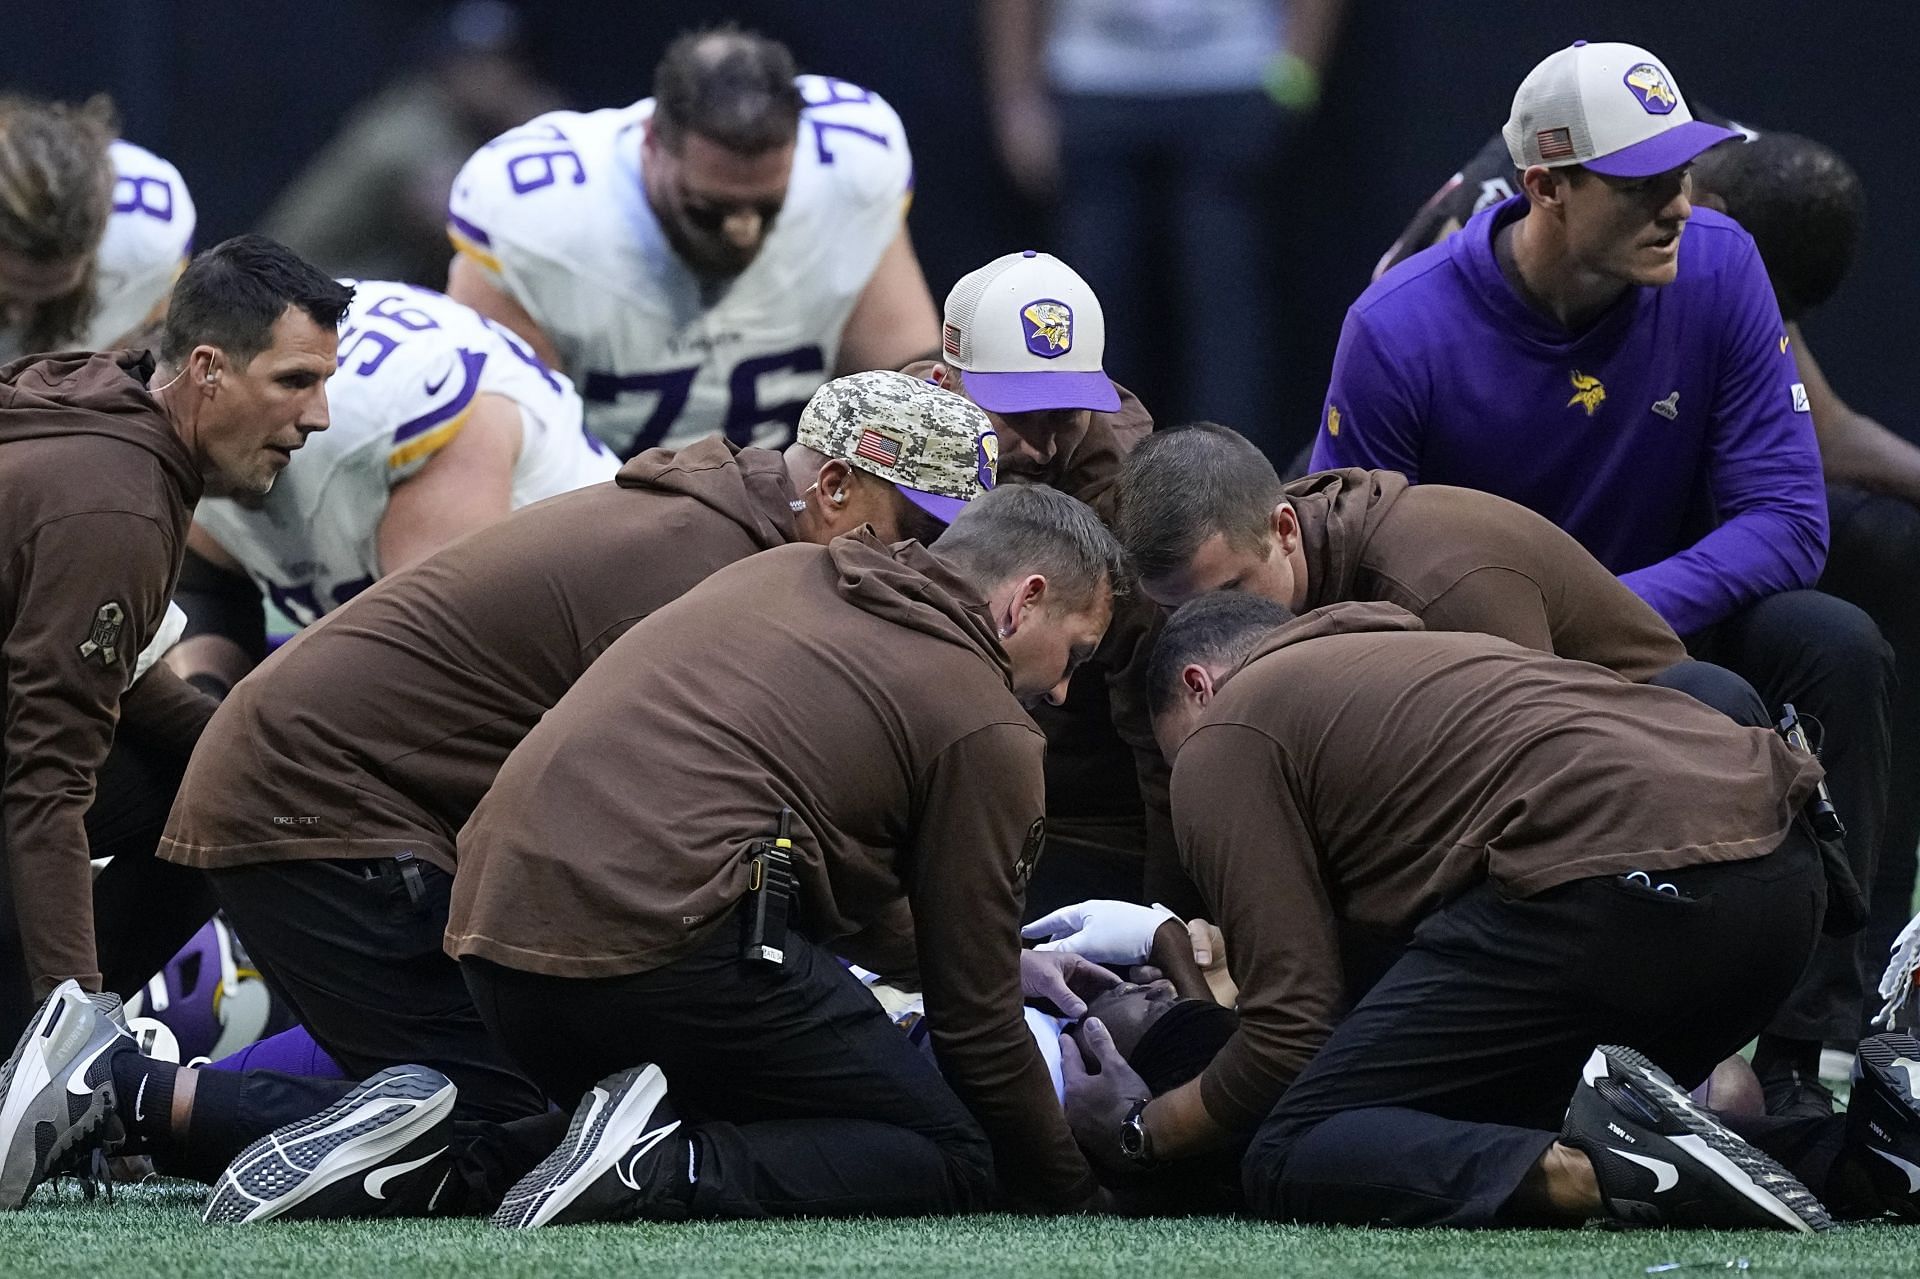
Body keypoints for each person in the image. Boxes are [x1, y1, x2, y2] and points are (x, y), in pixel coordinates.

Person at [48, 372, 994, 1222]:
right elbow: (668, 831)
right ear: (833, 489)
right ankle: (121, 1093)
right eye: (921, 534)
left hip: (334, 794)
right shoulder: (720, 566)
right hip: (329, 804)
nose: (931, 572)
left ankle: (140, 1099)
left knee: (511, 1106)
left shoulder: (720, 528)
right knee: (501, 1127)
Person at [1307, 40, 1893, 1118]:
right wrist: (1534, 652)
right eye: (1641, 186)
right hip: (1485, 682)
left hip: (1668, 624)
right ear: (1547, 188)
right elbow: (1346, 573)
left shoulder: (1720, 265)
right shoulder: (1396, 329)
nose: (1676, 204)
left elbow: (1789, 519)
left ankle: (1808, 1061)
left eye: (1682, 174)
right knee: (1705, 704)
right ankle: (1616, 1040)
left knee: (1839, 643)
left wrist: (1607, 619)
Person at [1066, 591, 1920, 1230]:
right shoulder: (1414, 649)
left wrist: (1147, 1129)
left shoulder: (1227, 733)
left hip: (1618, 882)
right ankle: (1864, 1158)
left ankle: (1617, 1174)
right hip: (1783, 885)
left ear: (1200, 686)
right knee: (1454, 1122)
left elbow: (1293, 1030)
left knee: (1293, 1150)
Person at [441, 482, 1125, 1226]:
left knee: (769, 1110)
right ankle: (656, 1170)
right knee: (949, 1154)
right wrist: (1073, 1193)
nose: (1061, 690)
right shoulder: (986, 724)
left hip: (491, 937)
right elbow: (979, 1029)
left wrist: (993, 959)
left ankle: (438, 1169)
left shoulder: (781, 569)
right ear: (1023, 600)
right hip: (658, 949)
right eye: (1074, 654)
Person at [0, 236, 347, 1048]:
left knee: (223, 772)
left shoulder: (96, 395)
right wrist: (69, 1042)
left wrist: (252, 754)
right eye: (296, 381)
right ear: (207, 369)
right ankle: (42, 1062)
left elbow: (120, 672)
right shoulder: (118, 511)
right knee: (217, 803)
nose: (318, 417)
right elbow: (45, 783)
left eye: (325, 383)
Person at [445, 25, 938, 458]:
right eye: (709, 210)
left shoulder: (850, 169)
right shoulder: (534, 216)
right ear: (652, 144)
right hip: (592, 520)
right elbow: (518, 453)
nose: (741, 232)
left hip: (793, 502)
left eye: (768, 208)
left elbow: (903, 383)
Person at [166, 279, 616, 694]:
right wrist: (201, 708)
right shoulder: (195, 428)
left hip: (600, 653)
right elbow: (207, 585)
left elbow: (453, 669)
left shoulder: (383, 422)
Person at [914, 249, 1163, 912]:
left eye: (1065, 415)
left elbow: (1160, 740)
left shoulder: (1133, 510)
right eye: (1018, 418)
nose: (1044, 448)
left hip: (1080, 819)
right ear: (946, 386)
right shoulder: (891, 441)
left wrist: (1167, 915)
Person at [979, 0, 1344, 439]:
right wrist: (1016, 100)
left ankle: (1234, 497)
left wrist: (1296, 75)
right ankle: (1091, 491)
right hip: (1093, 82)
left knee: (1225, 316)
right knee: (1089, 315)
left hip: (1228, 79)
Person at [259, 1, 563, 288]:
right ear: (448, 67)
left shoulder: (464, 123)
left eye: (507, 64)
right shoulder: (414, 127)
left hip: (347, 291)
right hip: (298, 292)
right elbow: (452, 223)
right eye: (479, 65)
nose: (499, 79)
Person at [0, 95, 196, 363]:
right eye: (12, 289)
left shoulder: (146, 230)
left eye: (47, 293)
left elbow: (159, 310)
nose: (19, 315)